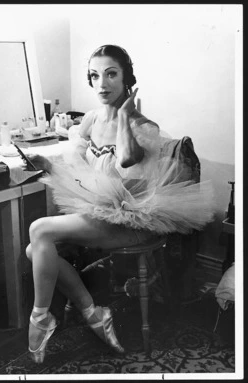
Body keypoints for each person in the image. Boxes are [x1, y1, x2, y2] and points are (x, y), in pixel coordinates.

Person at [23, 45, 214, 363]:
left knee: (39, 230)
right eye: (95, 75)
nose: (102, 83)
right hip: (98, 211)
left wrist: (124, 119)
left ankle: (41, 319)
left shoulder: (143, 127)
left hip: (131, 221)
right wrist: (47, 162)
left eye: (111, 74)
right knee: (35, 249)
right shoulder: (92, 119)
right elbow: (80, 167)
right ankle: (92, 311)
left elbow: (128, 166)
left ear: (127, 79)